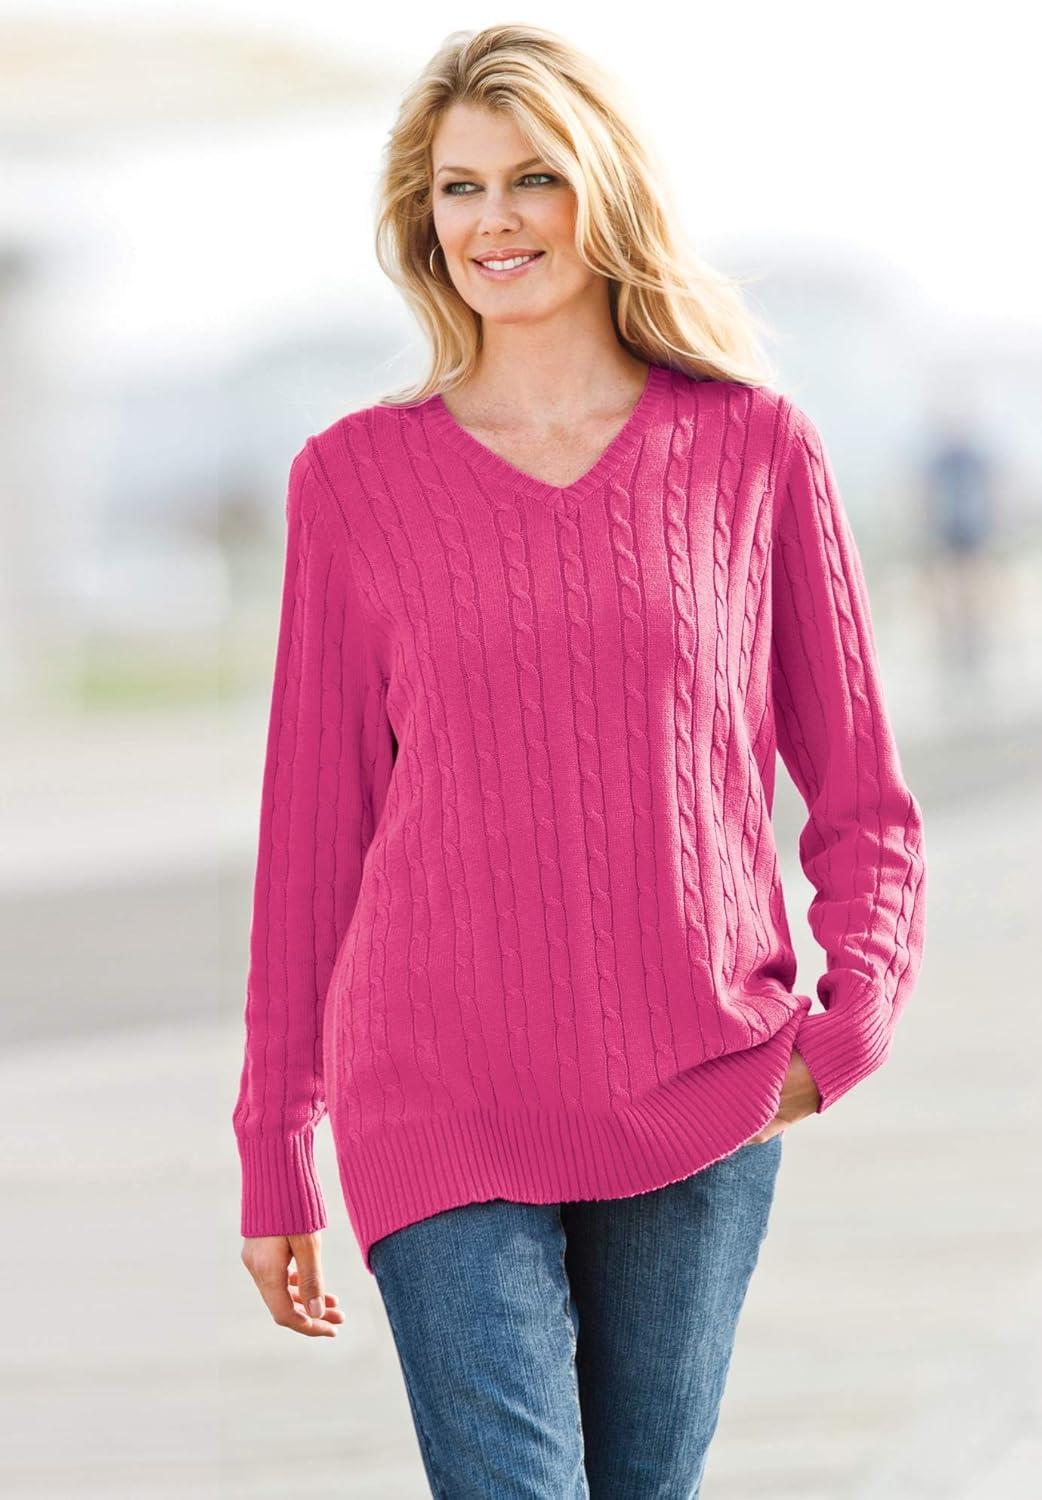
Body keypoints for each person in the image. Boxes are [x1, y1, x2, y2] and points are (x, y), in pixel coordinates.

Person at [232, 22, 928, 1498]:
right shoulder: (353, 478)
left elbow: (863, 798)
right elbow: (311, 843)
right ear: (424, 221)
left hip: (698, 1082)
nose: (495, 220)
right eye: (459, 187)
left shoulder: (752, 449)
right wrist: (275, 1137)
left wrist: (851, 1022)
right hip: (435, 1088)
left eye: (533, 178)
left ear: (604, 191)